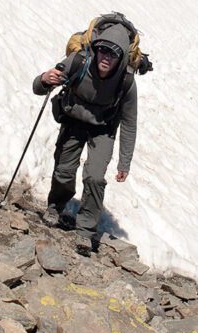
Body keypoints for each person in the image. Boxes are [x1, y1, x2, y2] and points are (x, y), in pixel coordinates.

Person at [33, 23, 138, 254]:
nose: (107, 57)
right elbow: (38, 88)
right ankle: (55, 207)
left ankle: (85, 231)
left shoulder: (126, 82)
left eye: (114, 53)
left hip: (103, 128)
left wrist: (124, 162)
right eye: (104, 49)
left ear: (121, 58)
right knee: (64, 169)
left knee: (95, 177)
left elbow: (130, 122)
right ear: (96, 48)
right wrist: (44, 79)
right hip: (74, 119)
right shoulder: (79, 61)